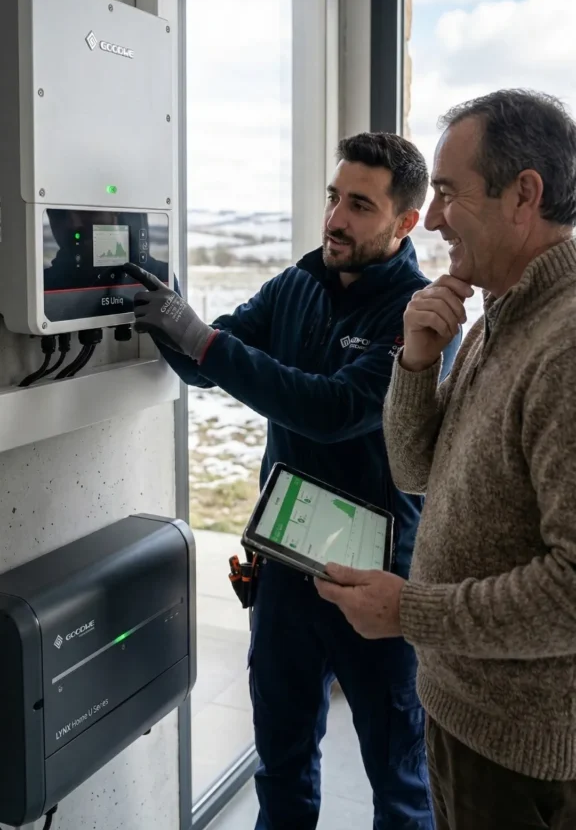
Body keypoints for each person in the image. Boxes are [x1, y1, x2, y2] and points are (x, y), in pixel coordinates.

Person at [126, 132, 460, 830]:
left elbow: (331, 411)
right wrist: (158, 302)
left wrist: (205, 342)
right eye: (334, 198)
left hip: (377, 583)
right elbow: (201, 360)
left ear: (404, 222)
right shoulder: (295, 285)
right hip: (284, 568)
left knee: (400, 784)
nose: (335, 218)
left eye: (359, 205)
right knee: (280, 764)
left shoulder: (422, 317)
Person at [316, 90, 576, 830]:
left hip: (520, 754)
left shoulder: (566, 343)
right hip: (465, 712)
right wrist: (417, 363)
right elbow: (416, 471)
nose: (429, 220)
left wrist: (410, 611)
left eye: (448, 194)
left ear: (523, 194)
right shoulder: (501, 312)